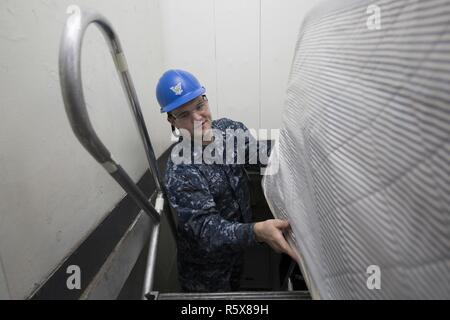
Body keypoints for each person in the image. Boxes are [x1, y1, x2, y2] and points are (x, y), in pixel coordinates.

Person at [156, 69, 298, 292]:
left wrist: (297, 150)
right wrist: (257, 231)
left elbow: (259, 155)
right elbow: (206, 229)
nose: (196, 118)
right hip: (205, 270)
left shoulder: (230, 130)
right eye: (184, 115)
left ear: (206, 100)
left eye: (199, 106)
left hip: (237, 253)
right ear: (171, 120)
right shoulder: (181, 169)